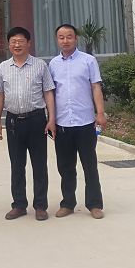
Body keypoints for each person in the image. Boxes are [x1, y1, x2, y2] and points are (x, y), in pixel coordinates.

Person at [0, 26, 56, 221]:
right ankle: (19, 205)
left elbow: (48, 92)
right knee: (17, 164)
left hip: (36, 119)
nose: (17, 45)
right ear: (9, 44)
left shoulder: (40, 65)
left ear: (29, 43)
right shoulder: (3, 67)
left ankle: (40, 205)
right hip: (13, 121)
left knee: (39, 164)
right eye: (13, 41)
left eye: (20, 41)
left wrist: (51, 119)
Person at [48, 24, 107, 219]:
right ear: (57, 40)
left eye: (69, 37)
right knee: (65, 167)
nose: (65, 40)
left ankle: (94, 204)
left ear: (76, 39)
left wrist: (100, 113)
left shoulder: (88, 61)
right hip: (63, 123)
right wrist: (51, 119)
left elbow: (96, 87)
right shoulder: (53, 64)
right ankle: (67, 203)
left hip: (85, 122)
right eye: (61, 37)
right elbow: (50, 93)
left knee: (90, 165)